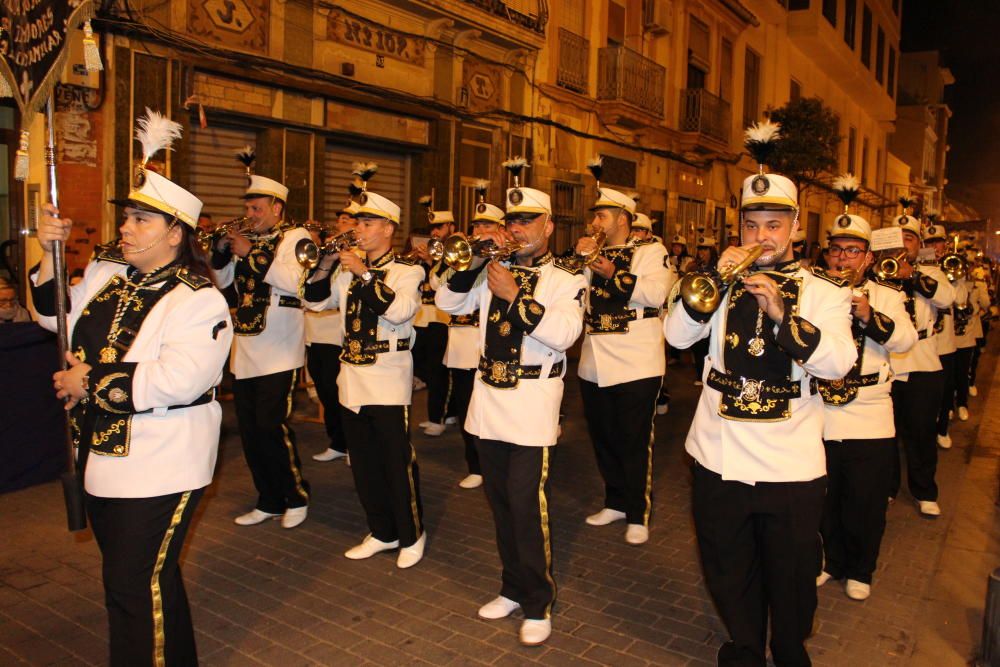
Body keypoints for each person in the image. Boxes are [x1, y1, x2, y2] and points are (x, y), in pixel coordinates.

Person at [30, 110, 232, 666]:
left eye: (141, 221)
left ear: (175, 235)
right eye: (127, 219)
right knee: (134, 583)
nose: (125, 228)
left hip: (163, 460)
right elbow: (54, 318)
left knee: (136, 583)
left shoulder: (200, 299)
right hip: (101, 453)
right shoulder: (106, 272)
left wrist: (89, 380)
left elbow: (180, 379)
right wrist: (47, 255)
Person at [665, 121, 856, 666]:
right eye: (752, 226)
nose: (762, 238)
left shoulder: (823, 293)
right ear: (740, 227)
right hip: (718, 451)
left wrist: (781, 313)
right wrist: (710, 287)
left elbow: (839, 361)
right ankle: (745, 644)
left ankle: (790, 648)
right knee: (726, 563)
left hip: (789, 459)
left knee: (792, 572)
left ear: (795, 227)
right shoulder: (718, 282)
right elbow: (676, 337)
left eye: (774, 225)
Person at [436, 170, 586, 647]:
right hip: (489, 398)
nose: (517, 229)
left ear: (548, 225)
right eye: (512, 221)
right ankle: (512, 586)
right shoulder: (490, 267)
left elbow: (564, 335)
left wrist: (514, 297)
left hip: (533, 402)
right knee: (500, 503)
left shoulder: (566, 276)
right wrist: (475, 263)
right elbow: (446, 299)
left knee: (525, 504)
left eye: (527, 221)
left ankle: (539, 600)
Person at [303, 185, 427, 569]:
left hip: (388, 376)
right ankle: (382, 531)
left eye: (368, 222)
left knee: (394, 460)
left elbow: (400, 311)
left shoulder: (409, 269)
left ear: (388, 229)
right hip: (352, 376)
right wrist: (324, 264)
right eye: (358, 221)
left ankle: (411, 533)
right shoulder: (345, 270)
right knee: (363, 461)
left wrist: (365, 273)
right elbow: (314, 301)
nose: (359, 228)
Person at [815, 205, 917, 602]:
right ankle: (830, 561)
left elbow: (906, 341)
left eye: (852, 250)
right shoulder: (815, 292)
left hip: (870, 409)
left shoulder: (888, 296)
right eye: (836, 250)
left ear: (869, 256)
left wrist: (869, 315)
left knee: (865, 500)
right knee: (825, 497)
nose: (843, 258)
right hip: (822, 408)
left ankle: (861, 569)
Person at [212, 169, 312, 529]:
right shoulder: (248, 239)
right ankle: (268, 498)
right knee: (251, 431)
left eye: (256, 208)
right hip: (246, 347)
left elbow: (294, 283)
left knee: (272, 425)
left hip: (280, 347)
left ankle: (296, 494)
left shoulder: (295, 237)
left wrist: (250, 251)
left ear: (276, 206)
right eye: (248, 209)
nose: (251, 215)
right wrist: (223, 251)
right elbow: (223, 283)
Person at [576, 184, 671, 545]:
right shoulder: (590, 250)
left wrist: (610, 269)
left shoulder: (651, 250)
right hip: (594, 358)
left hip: (636, 360)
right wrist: (578, 260)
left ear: (623, 219)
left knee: (633, 439)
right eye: (595, 216)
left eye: (601, 216)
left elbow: (655, 294)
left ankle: (637, 511)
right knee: (603, 436)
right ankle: (614, 500)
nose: (595, 222)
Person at [429, 184, 505, 489]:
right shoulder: (466, 255)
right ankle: (475, 465)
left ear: (501, 229)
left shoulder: (504, 256)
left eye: (487, 225)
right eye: (476, 225)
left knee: (493, 411)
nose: (480, 230)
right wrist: (461, 259)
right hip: (462, 344)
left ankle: (494, 463)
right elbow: (438, 284)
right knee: (465, 408)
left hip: (489, 343)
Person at [887, 207, 955, 516]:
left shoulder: (931, 272)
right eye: (899, 236)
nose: (904, 242)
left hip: (923, 361)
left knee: (920, 432)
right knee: (886, 434)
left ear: (918, 243)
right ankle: (886, 487)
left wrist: (911, 275)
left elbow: (946, 298)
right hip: (886, 362)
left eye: (910, 238)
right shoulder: (878, 271)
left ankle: (924, 490)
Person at [310, 200, 361, 464]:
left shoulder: (360, 256)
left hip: (336, 335)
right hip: (315, 332)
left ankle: (351, 442)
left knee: (339, 391)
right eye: (339, 219)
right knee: (325, 391)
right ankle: (337, 441)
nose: (340, 224)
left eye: (347, 220)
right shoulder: (328, 251)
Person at [412, 205, 456, 436]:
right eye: (432, 228)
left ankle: (439, 416)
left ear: (451, 227)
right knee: (425, 366)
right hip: (424, 316)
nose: (435, 232)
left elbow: (445, 282)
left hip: (444, 318)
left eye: (440, 227)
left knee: (439, 371)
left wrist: (432, 262)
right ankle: (441, 413)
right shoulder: (430, 248)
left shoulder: (455, 251)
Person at [921, 224, 962, 449]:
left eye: (938, 242)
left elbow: (955, 298)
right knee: (928, 396)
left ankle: (943, 428)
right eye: (929, 243)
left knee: (945, 390)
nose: (935, 247)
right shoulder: (921, 267)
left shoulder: (950, 268)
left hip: (945, 341)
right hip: (927, 343)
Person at [687, 235, 719, 386]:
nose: (702, 253)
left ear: (712, 251)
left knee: (710, 345)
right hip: (697, 309)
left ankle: (711, 375)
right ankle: (700, 375)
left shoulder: (718, 267)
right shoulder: (693, 267)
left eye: (705, 249)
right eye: (700, 249)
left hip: (714, 311)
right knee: (698, 346)